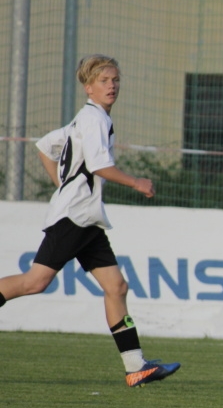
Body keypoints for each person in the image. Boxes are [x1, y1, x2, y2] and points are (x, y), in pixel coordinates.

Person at [0, 54, 181, 388]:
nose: (111, 86)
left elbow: (44, 147)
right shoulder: (93, 119)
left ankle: (136, 367)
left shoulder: (84, 120)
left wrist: (64, 186)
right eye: (103, 81)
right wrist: (135, 182)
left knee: (117, 287)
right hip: (74, 217)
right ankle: (135, 366)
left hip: (86, 217)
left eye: (115, 80)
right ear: (88, 87)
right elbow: (98, 166)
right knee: (35, 282)